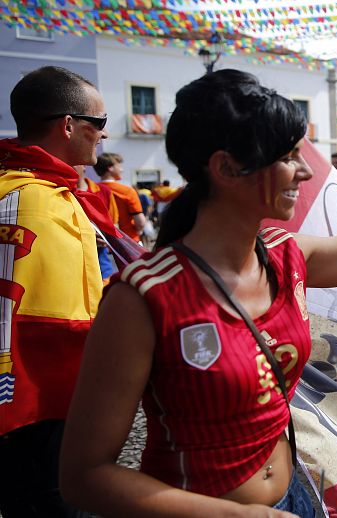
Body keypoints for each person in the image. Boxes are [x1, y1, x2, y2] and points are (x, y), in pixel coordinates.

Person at [58, 69, 337, 518]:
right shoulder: (143, 299)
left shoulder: (287, 256)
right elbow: (84, 474)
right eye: (288, 156)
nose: (305, 171)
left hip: (297, 498)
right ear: (226, 168)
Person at [0, 65, 114, 517]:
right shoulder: (43, 204)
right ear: (68, 125)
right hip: (39, 407)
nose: (102, 137)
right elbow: (61, 325)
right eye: (98, 124)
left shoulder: (24, 188)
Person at [96, 152, 146, 242]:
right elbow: (140, 221)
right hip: (128, 240)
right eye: (119, 166)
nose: (122, 170)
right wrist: (139, 231)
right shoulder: (127, 191)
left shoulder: (92, 189)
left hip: (102, 241)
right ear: (110, 168)